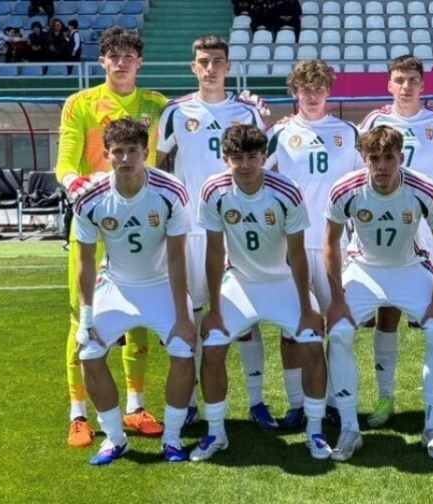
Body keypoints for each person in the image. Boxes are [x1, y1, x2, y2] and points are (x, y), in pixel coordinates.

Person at [56, 26, 170, 449]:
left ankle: (136, 406)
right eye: (113, 56)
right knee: (80, 316)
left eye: (128, 56)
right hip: (94, 219)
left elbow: (199, 132)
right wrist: (76, 185)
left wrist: (247, 109)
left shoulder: (158, 106)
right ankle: (78, 414)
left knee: (137, 309)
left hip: (141, 222)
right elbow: (65, 161)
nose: (121, 63)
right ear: (102, 61)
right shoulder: (80, 104)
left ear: (140, 62)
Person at [192, 124, 330, 461]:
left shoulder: (286, 190)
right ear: (225, 159)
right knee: (212, 348)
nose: (245, 165)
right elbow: (214, 252)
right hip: (240, 283)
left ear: (264, 157)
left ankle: (315, 431)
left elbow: (297, 253)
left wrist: (307, 308)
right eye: (237, 158)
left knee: (312, 344)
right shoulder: (213, 190)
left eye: (252, 157)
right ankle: (215, 433)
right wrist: (214, 309)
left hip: (283, 282)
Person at [156, 34, 271, 431]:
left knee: (246, 316)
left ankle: (257, 402)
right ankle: (188, 404)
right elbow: (156, 167)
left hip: (237, 229)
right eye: (203, 62)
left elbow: (264, 165)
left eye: (217, 61)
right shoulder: (175, 112)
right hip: (190, 229)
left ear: (229, 67)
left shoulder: (248, 112)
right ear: (193, 67)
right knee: (190, 315)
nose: (210, 68)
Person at [324, 125, 433, 461]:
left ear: (401, 158)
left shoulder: (424, 188)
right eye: (374, 158)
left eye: (389, 158)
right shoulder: (346, 188)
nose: (381, 166)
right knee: (338, 334)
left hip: (409, 268)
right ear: (364, 159)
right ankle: (349, 429)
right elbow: (330, 243)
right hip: (363, 268)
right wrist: (337, 300)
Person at [71, 118, 196, 465]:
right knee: (89, 352)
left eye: (132, 151)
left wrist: (183, 317)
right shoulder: (89, 197)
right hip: (116, 284)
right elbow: (84, 261)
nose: (125, 158)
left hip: (160, 284)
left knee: (183, 349)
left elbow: (177, 256)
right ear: (106, 154)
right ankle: (114, 439)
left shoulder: (170, 191)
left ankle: (172, 438)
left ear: (145, 152)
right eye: (118, 152)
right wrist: (86, 318)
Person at [356, 54, 433, 428]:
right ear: (389, 85)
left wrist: (428, 191)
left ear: (423, 85)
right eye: (399, 80)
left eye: (413, 80)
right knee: (388, 312)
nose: (406, 87)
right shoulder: (374, 122)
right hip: (387, 230)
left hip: (430, 230)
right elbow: (361, 170)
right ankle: (385, 398)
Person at [263, 59, 365, 430]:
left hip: (336, 244)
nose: (312, 96)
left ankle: (336, 403)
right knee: (293, 330)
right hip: (291, 245)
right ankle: (297, 405)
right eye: (305, 89)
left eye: (318, 88)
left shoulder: (348, 132)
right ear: (294, 92)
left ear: (328, 91)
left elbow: (363, 182)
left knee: (338, 328)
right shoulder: (279, 133)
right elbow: (256, 178)